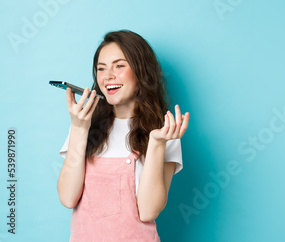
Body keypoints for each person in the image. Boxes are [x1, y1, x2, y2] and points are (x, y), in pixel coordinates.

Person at [57, 30, 190, 241]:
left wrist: (156, 144)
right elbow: (67, 197)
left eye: (119, 65)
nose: (108, 75)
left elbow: (148, 211)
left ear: (142, 72)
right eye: (101, 68)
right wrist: (79, 129)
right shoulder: (85, 123)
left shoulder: (164, 131)